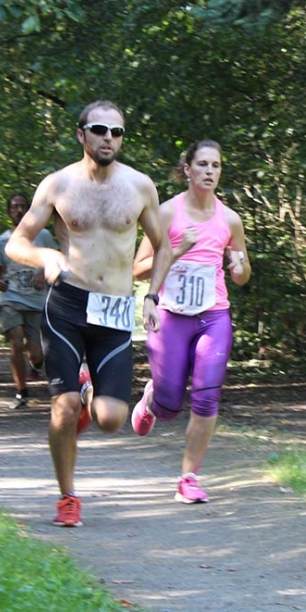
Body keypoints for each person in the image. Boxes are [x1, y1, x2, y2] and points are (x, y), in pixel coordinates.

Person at [6, 100, 175, 528]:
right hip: (67, 305)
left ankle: (87, 395)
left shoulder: (140, 187)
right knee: (61, 409)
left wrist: (152, 296)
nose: (109, 139)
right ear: (81, 135)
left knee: (111, 419)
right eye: (100, 130)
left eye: (117, 132)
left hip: (115, 311)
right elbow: (15, 243)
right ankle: (68, 497)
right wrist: (44, 255)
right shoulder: (58, 185)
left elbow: (164, 246)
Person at [130, 140, 251, 504]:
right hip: (171, 315)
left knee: (207, 395)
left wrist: (240, 267)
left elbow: (243, 275)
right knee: (169, 406)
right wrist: (177, 251)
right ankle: (152, 399)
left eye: (215, 165)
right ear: (187, 169)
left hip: (213, 315)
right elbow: (137, 270)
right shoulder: (166, 214)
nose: (209, 171)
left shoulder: (230, 220)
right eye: (202, 164)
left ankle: (189, 477)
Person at [0, 193, 57, 410]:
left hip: (36, 300)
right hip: (10, 298)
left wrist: (43, 273)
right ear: (9, 212)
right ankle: (21, 391)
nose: (18, 210)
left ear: (29, 211)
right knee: (16, 341)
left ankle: (36, 364)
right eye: (14, 207)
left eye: (22, 207)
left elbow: (57, 261)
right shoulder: (1, 241)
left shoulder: (44, 236)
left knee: (36, 353)